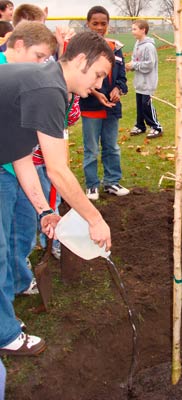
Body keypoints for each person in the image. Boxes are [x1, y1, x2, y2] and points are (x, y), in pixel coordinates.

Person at [0, 30, 114, 356]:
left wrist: (43, 211)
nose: (99, 84)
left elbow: (20, 153)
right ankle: (5, 334)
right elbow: (58, 171)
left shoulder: (49, 84)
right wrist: (95, 219)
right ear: (80, 61)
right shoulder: (49, 88)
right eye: (97, 74)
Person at [0, 21, 58, 302]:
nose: (42, 64)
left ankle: (19, 279)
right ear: (19, 44)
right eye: (39, 56)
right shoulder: (6, 75)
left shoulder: (30, 79)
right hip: (5, 168)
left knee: (23, 228)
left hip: (22, 166)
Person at [79, 6, 129, 200]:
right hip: (91, 107)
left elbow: (122, 78)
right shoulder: (82, 49)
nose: (99, 27)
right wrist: (95, 93)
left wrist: (118, 89)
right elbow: (78, 78)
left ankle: (112, 182)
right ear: (88, 24)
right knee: (91, 149)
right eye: (95, 24)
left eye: (103, 23)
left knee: (112, 146)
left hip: (111, 108)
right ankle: (92, 185)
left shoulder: (115, 48)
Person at [126, 19, 163, 139]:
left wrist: (134, 65)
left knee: (146, 105)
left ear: (143, 30)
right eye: (132, 29)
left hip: (148, 82)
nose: (132, 32)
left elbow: (149, 64)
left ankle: (156, 127)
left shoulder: (149, 46)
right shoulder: (137, 44)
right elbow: (135, 59)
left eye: (135, 29)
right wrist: (130, 66)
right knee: (140, 105)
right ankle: (140, 125)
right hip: (139, 81)